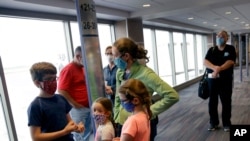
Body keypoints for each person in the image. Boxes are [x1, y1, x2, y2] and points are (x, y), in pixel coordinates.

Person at [112, 37, 179, 141]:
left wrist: (148, 111)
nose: (113, 59)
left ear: (126, 56)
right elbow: (118, 96)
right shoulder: (120, 72)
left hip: (140, 122)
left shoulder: (146, 74)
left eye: (115, 56)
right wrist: (117, 115)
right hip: (123, 122)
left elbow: (172, 96)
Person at [27, 62, 84, 141]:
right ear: (37, 83)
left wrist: (76, 128)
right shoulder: (36, 106)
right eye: (49, 79)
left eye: (54, 79)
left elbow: (70, 122)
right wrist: (64, 132)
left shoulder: (61, 98)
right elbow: (36, 137)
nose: (53, 82)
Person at [204, 30, 236, 132]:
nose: (220, 38)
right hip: (212, 81)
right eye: (218, 36)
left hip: (225, 81)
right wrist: (215, 68)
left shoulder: (230, 48)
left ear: (227, 38)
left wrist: (219, 69)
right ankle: (213, 123)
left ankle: (227, 123)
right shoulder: (212, 50)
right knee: (212, 102)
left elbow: (230, 62)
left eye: (222, 36)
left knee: (226, 102)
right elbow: (205, 61)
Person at [58, 46, 92, 141]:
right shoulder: (68, 69)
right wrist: (75, 104)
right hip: (78, 109)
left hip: (87, 106)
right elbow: (61, 90)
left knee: (87, 132)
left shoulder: (82, 68)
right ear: (78, 57)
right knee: (79, 134)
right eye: (86, 58)